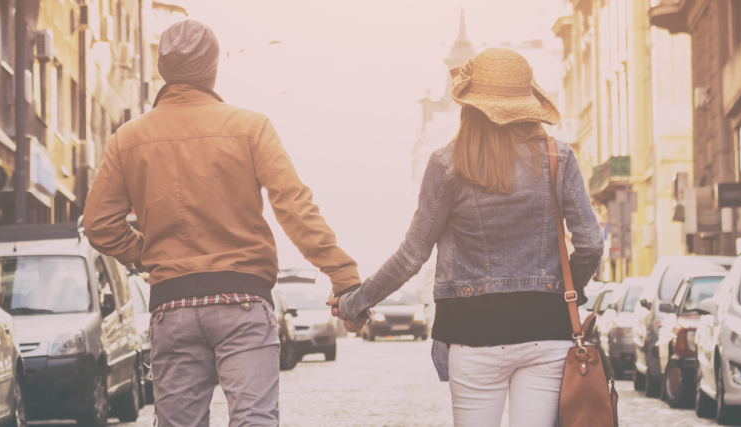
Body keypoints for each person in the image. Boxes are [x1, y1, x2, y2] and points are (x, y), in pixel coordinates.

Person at [81, 20, 360, 427]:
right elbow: (294, 207)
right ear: (213, 68)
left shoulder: (129, 138)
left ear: (162, 68)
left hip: (171, 304)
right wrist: (343, 274)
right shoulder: (249, 127)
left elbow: (99, 224)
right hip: (241, 299)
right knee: (254, 420)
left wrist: (149, 251)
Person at [330, 47, 603, 427]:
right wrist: (565, 288)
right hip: (547, 330)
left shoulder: (446, 164)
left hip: (473, 333)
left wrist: (355, 303)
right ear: (527, 105)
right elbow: (591, 244)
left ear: (469, 107)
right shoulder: (557, 158)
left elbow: (413, 254)